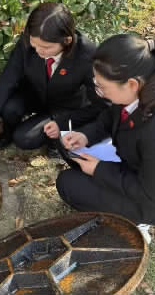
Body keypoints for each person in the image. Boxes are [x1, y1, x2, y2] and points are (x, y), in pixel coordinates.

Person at [0, 3, 106, 162]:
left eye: (46, 47)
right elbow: (6, 83)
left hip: (65, 106)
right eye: (35, 45)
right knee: (10, 109)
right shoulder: (29, 42)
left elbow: (99, 106)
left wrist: (62, 121)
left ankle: (54, 140)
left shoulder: (87, 56)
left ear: (67, 40)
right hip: (35, 93)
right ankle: (7, 133)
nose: (39, 51)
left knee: (24, 139)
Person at [56, 34, 155, 243]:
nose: (98, 92)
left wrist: (99, 170)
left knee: (67, 183)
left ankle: (139, 223)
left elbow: (147, 193)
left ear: (132, 85)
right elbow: (109, 118)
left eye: (102, 87)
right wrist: (85, 136)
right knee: (69, 147)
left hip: (147, 199)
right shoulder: (134, 92)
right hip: (129, 165)